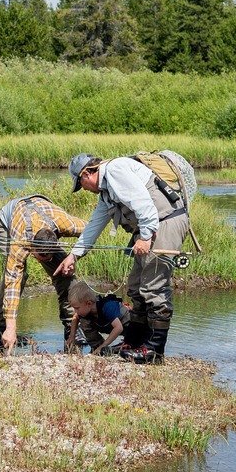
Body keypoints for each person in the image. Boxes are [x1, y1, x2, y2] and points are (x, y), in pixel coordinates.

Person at [55, 153, 191, 363]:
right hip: (151, 228)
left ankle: (154, 351)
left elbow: (144, 205)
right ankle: (136, 341)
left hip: (165, 223)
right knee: (136, 287)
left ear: (85, 174)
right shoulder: (106, 193)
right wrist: (74, 255)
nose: (85, 190)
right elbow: (94, 226)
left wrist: (145, 238)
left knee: (154, 288)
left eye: (81, 185)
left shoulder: (115, 171)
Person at [0, 194, 86, 353]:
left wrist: (73, 257)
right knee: (18, 275)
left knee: (63, 270)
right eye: (38, 257)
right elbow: (12, 282)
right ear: (31, 248)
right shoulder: (20, 243)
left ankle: (71, 325)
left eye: (45, 258)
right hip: (5, 222)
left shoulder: (65, 224)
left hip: (43, 214)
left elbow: (90, 230)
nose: (40, 262)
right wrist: (11, 327)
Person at [65, 279, 143, 356]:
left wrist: (104, 345)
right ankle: (97, 347)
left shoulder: (107, 307)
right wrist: (72, 336)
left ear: (89, 303)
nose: (75, 311)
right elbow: (75, 317)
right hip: (107, 324)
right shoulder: (86, 310)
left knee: (135, 337)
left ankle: (129, 344)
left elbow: (118, 328)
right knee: (84, 322)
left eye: (77, 308)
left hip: (124, 323)